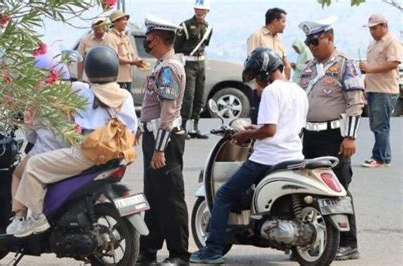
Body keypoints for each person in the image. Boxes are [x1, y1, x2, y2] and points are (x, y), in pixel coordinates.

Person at [190, 47, 308, 264]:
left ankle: (213, 250)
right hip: (294, 156)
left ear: (264, 72)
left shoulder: (272, 91)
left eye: (255, 77)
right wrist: (257, 129)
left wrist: (246, 133)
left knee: (225, 195)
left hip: (267, 159)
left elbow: (270, 131)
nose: (255, 84)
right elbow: (292, 128)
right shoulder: (298, 91)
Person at [6, 46, 137, 237]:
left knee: (33, 165)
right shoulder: (126, 96)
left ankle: (35, 218)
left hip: (89, 154)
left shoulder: (83, 92)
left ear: (89, 69)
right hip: (118, 155)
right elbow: (133, 127)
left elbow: (50, 90)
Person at [298, 17, 365, 261]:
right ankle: (318, 241)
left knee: (338, 190)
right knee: (308, 190)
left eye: (315, 41)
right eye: (309, 42)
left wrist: (350, 137)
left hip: (334, 136)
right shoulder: (307, 67)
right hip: (309, 136)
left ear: (329, 38)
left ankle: (348, 243)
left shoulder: (346, 65)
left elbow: (356, 102)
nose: (311, 46)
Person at [136, 15, 189, 264]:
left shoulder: (169, 68)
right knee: (154, 197)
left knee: (170, 198)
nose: (146, 41)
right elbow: (152, 106)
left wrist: (159, 149)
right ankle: (148, 251)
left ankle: (179, 254)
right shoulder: (161, 64)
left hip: (164, 140)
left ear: (156, 39)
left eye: (148, 37)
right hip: (154, 135)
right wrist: (141, 128)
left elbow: (169, 111)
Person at [8, 53, 72, 232]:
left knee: (17, 174)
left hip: (45, 151)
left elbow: (30, 136)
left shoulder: (35, 99)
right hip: (71, 152)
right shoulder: (73, 93)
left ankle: (19, 218)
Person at [359, 13, 402, 168]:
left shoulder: (391, 42)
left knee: (380, 125)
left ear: (384, 26)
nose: (372, 31)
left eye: (375, 28)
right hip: (373, 88)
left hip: (385, 89)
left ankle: (381, 158)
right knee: (376, 124)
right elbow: (371, 67)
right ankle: (379, 155)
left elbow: (393, 63)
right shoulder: (373, 44)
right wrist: (365, 82)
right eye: (370, 29)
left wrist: (369, 69)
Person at [174, 0, 213, 139]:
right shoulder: (184, 25)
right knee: (188, 96)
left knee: (199, 97)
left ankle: (195, 127)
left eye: (202, 10)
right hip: (188, 64)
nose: (200, 12)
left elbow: (205, 45)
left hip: (200, 64)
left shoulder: (208, 27)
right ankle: (183, 127)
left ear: (207, 11)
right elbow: (177, 47)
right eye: (197, 9)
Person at [247, 7, 292, 124]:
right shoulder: (257, 36)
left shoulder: (279, 39)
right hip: (263, 89)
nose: (285, 25)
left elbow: (286, 64)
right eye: (283, 21)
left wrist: (286, 85)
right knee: (260, 123)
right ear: (275, 21)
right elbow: (253, 64)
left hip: (279, 90)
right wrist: (260, 86)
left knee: (278, 123)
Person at [104, 10, 143, 92]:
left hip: (127, 78)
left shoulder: (124, 36)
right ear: (115, 22)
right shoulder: (110, 37)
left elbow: (133, 53)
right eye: (123, 20)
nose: (126, 23)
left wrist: (137, 60)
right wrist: (132, 62)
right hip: (117, 79)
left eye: (126, 20)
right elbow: (114, 58)